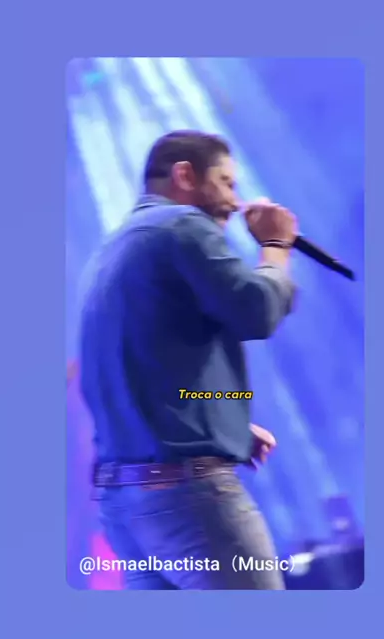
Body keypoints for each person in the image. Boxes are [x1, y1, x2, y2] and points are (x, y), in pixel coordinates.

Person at [79, 130, 298, 589]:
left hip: (123, 506)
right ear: (185, 175)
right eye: (226, 182)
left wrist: (221, 421)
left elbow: (141, 379)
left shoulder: (110, 251)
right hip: (186, 498)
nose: (235, 202)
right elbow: (257, 310)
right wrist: (276, 246)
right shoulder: (181, 225)